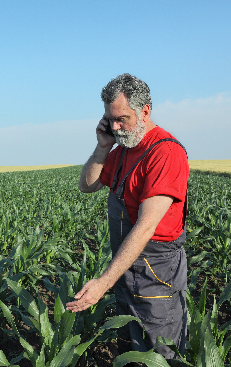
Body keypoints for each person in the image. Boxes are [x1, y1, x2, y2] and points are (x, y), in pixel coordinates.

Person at [65, 73, 189, 361]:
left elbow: (146, 226)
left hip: (156, 272)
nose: (117, 127)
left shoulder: (165, 152)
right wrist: (102, 145)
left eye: (123, 119)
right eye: (111, 119)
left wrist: (103, 283)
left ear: (145, 111)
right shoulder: (121, 150)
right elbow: (87, 185)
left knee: (160, 353)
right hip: (127, 266)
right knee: (132, 350)